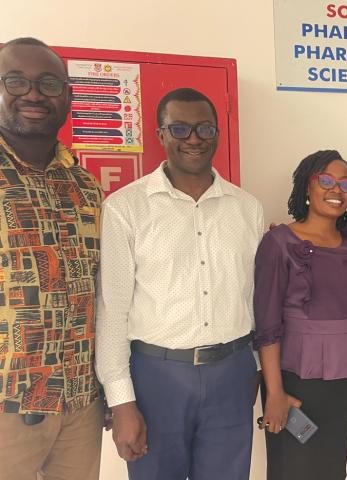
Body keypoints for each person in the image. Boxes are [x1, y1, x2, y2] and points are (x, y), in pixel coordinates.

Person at [95, 88, 264, 480]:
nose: (193, 139)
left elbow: (254, 299)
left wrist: (252, 368)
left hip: (232, 373)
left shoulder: (247, 208)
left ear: (217, 133)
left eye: (204, 128)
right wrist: (122, 401)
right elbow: (113, 310)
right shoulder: (126, 208)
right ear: (161, 134)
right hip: (156, 377)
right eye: (180, 128)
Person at [0, 37, 104, 480]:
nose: (34, 94)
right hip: (7, 408)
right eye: (15, 81)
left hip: (79, 406)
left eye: (48, 83)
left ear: (67, 95)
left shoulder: (86, 187)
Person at [254, 150, 347, 480]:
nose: (337, 191)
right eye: (326, 181)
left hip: (342, 378)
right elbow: (267, 325)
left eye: (345, 184)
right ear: (306, 187)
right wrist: (274, 392)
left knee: (332, 469)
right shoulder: (278, 243)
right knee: (294, 467)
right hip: (294, 378)